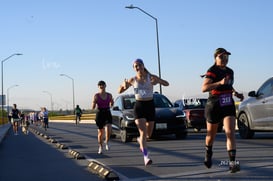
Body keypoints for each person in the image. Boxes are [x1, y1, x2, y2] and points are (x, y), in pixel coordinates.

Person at [118, 58, 169, 166]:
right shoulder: (132, 80)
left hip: (150, 106)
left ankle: (141, 141)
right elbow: (119, 91)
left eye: (139, 65)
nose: (137, 67)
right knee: (143, 132)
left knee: (148, 134)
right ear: (134, 68)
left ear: (143, 65)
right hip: (139, 106)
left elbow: (166, 83)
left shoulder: (151, 77)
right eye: (135, 66)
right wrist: (123, 85)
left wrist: (158, 81)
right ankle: (146, 157)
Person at [201, 48, 244, 173]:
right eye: (221, 57)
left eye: (226, 57)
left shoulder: (230, 71)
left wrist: (236, 93)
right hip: (214, 104)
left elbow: (229, 85)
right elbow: (204, 88)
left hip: (227, 103)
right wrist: (219, 82)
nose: (224, 59)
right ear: (215, 58)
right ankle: (208, 153)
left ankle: (232, 163)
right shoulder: (212, 71)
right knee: (211, 135)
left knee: (230, 132)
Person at [91, 80, 114, 154]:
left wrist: (112, 102)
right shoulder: (96, 96)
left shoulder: (109, 95)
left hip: (107, 112)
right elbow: (93, 107)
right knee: (100, 133)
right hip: (100, 113)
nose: (101, 86)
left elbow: (111, 104)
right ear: (98, 87)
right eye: (100, 85)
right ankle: (100, 146)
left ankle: (106, 142)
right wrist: (94, 102)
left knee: (109, 128)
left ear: (105, 86)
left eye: (103, 85)